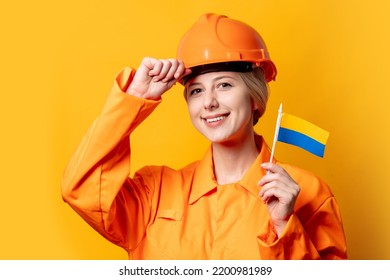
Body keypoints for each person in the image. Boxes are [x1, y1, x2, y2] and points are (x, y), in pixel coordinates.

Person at [61, 13, 347, 259]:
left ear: (255, 98)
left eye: (224, 85)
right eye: (197, 90)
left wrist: (285, 225)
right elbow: (83, 191)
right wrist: (134, 99)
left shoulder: (308, 192)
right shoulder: (153, 192)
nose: (209, 102)